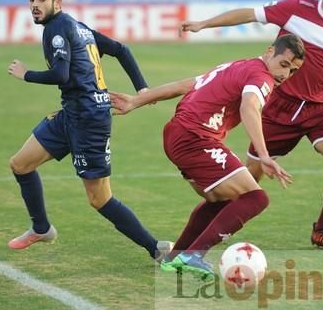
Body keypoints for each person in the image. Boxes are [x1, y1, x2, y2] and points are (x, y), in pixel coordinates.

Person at [181, 0, 323, 250]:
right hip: (277, 109)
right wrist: (205, 24)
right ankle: (189, 245)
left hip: (322, 111)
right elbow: (249, 14)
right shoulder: (294, 8)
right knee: (243, 187)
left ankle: (322, 230)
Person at [110, 34, 304, 279]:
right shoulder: (261, 76)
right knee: (256, 198)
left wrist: (137, 101)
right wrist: (263, 155)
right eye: (284, 64)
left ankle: (175, 257)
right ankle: (194, 254)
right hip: (195, 137)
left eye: (293, 71)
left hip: (179, 133)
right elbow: (249, 106)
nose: (284, 75)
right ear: (269, 52)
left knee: (222, 199)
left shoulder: (238, 65)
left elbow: (186, 85)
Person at [6, 0, 171, 262]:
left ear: (57, 2)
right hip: (71, 113)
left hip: (89, 120)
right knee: (20, 164)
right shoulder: (78, 26)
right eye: (31, 0)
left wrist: (26, 74)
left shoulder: (57, 29)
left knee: (99, 199)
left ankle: (156, 249)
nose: (34, 5)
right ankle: (41, 228)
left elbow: (61, 75)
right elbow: (121, 49)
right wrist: (142, 89)